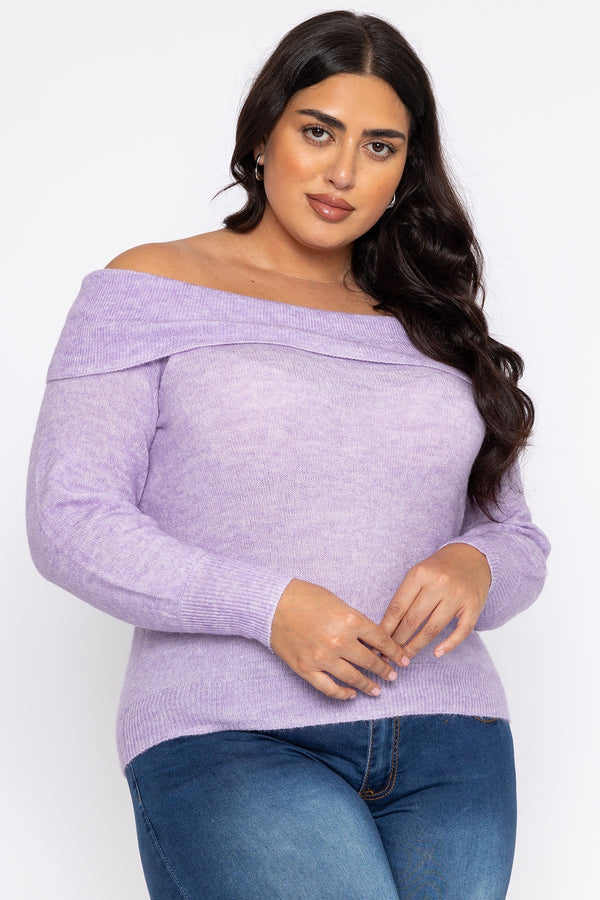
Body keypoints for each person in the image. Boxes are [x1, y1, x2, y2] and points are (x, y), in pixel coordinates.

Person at [26, 10, 550, 899]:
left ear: (405, 171)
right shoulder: (150, 288)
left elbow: (517, 539)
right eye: (318, 131)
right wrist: (269, 607)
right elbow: (69, 520)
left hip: (450, 736)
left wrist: (476, 565)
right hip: (229, 732)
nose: (344, 172)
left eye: (380, 147)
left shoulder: (433, 320)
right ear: (264, 132)